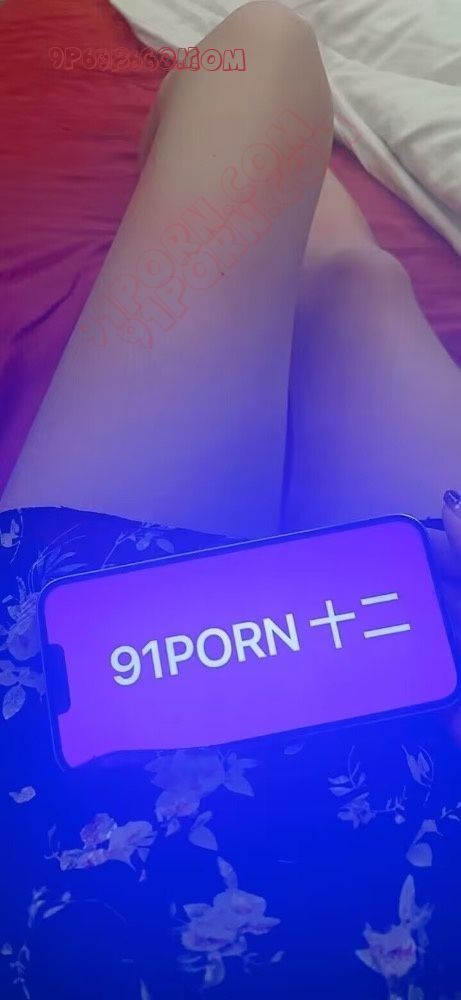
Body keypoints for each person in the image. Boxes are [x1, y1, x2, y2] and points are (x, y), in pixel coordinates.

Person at [0, 5, 460, 998]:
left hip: (79, 793)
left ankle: (253, 188)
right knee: (360, 282)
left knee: (263, 53)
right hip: (426, 810)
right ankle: (292, 221)